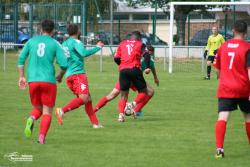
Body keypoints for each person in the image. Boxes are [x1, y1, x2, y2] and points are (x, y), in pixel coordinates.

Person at [18, 19, 68, 144]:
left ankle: (31, 118)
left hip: (33, 81)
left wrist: (22, 76)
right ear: (53, 31)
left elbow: (21, 59)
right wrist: (60, 75)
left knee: (37, 108)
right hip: (48, 81)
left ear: (41, 29)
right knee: (47, 112)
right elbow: (64, 64)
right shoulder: (55, 43)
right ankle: (41, 138)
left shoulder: (31, 41)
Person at [55, 24, 104, 128]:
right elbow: (83, 53)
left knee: (88, 99)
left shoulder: (64, 44)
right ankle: (61, 111)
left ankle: (95, 124)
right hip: (78, 75)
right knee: (84, 98)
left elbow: (60, 61)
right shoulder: (77, 42)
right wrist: (97, 47)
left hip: (69, 76)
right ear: (77, 31)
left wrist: (61, 75)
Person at [213, 20, 250, 159]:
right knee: (248, 117)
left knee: (223, 117)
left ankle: (219, 149)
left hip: (226, 88)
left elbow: (217, 69)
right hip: (243, 88)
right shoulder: (247, 48)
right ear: (246, 32)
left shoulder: (223, 46)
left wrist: (225, 79)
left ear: (233, 30)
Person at [94, 45, 159, 116]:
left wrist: (155, 77)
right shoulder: (148, 59)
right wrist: (155, 78)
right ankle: (134, 108)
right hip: (135, 79)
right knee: (149, 92)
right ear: (151, 52)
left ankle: (94, 110)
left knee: (112, 95)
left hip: (126, 77)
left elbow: (152, 67)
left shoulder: (135, 54)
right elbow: (152, 67)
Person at [114, 31, 151, 122]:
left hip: (123, 71)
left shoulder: (122, 43)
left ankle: (121, 115)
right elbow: (146, 55)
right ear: (138, 38)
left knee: (123, 95)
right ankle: (132, 104)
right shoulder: (140, 44)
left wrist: (122, 65)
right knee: (144, 92)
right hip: (135, 69)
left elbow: (116, 58)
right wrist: (147, 67)